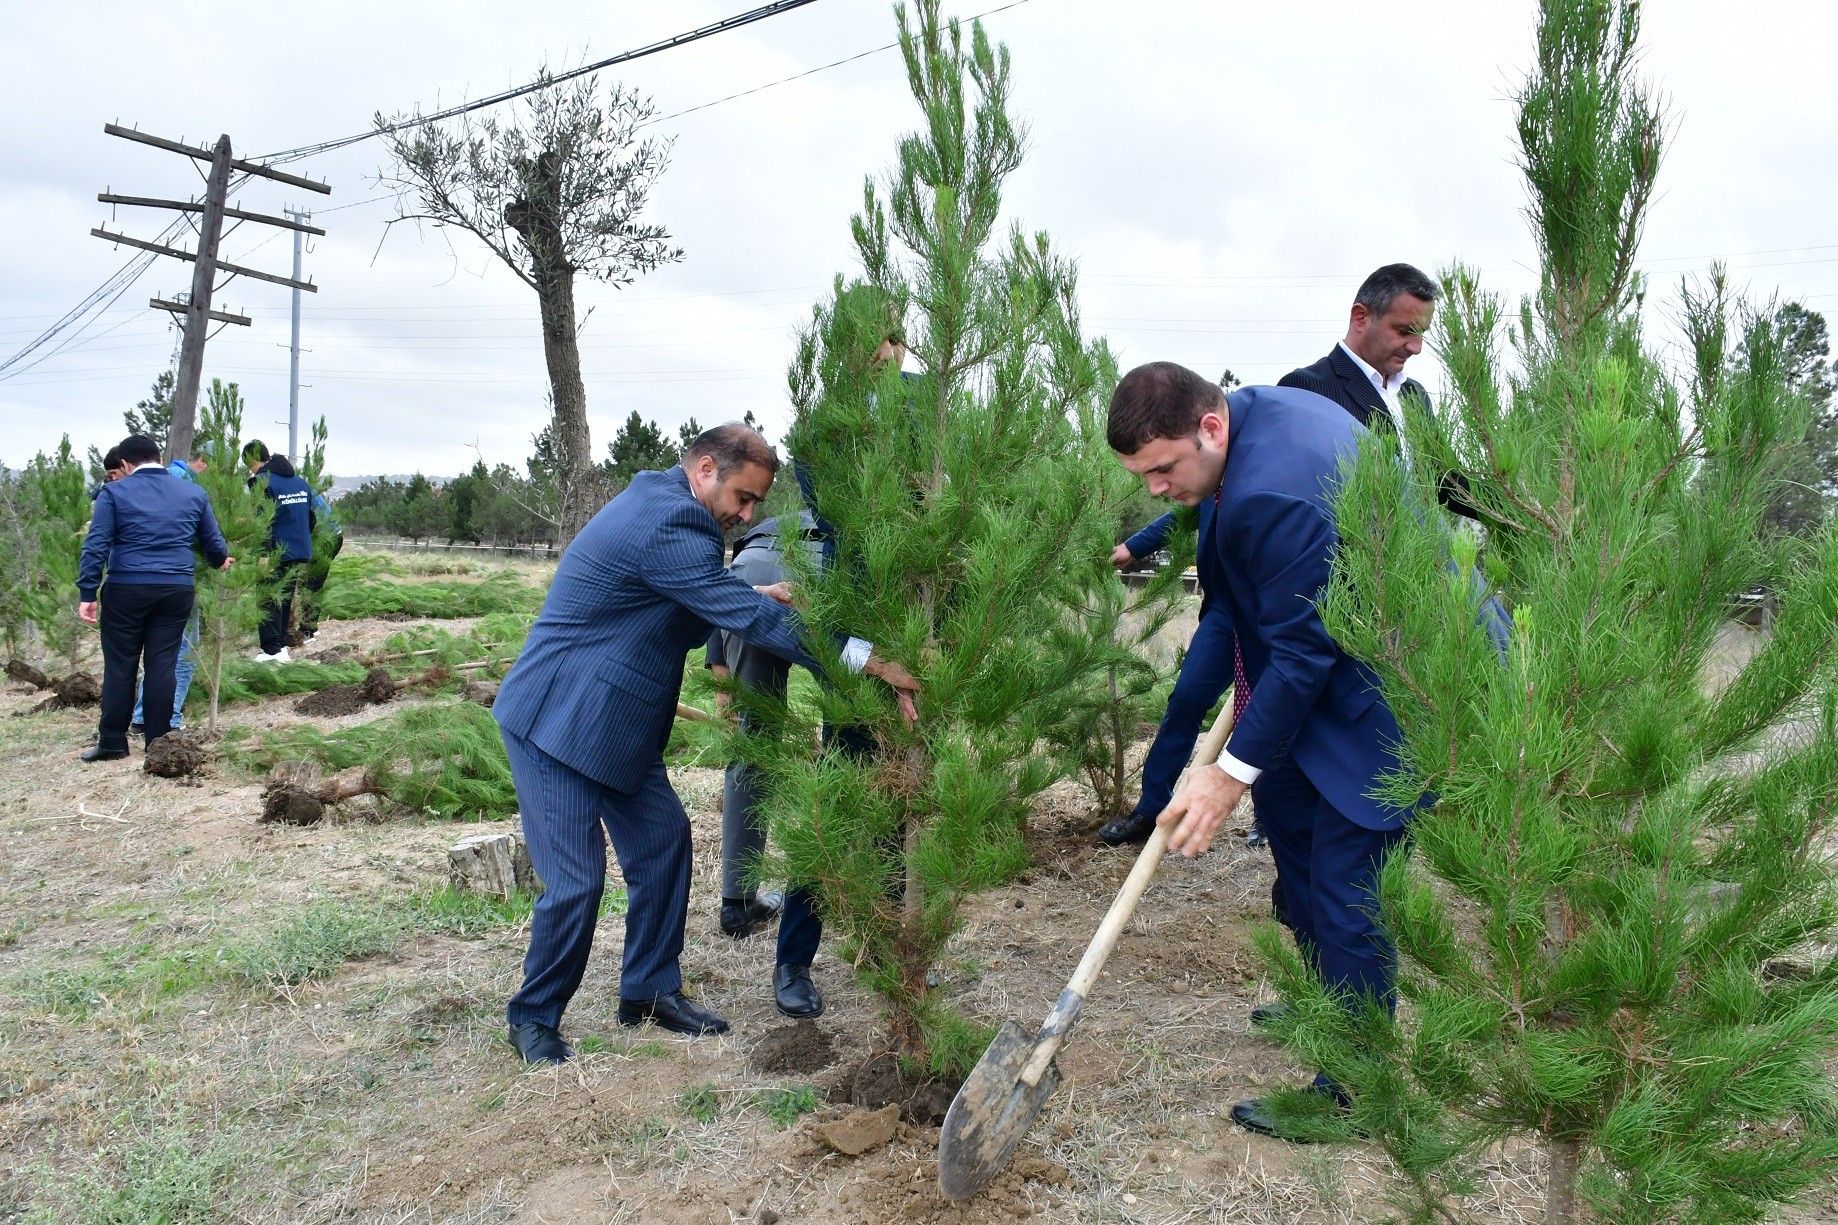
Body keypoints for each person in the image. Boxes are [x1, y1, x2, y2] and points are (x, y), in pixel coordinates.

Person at [491, 423, 919, 1065]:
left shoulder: (659, 501)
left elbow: (681, 596)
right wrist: (869, 660)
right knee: (576, 882)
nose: (746, 515)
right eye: (743, 499)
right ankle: (533, 1018)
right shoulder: (673, 523)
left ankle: (650, 991)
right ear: (705, 468)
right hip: (558, 721)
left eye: (755, 504)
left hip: (616, 726)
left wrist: (742, 592)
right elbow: (750, 621)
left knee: (663, 845)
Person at [1106, 362, 1418, 1140]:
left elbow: (1307, 653)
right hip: (1308, 689)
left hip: (1379, 699)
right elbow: (1263, 613)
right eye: (1141, 476)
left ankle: (1355, 1090)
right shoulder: (1240, 434)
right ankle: (1329, 1005)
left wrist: (1229, 775)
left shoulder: (1276, 486)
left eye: (1162, 469)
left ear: (1209, 428)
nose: (1154, 490)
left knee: (1347, 893)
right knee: (1303, 863)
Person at [706, 510, 831, 1019]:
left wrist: (722, 668)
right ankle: (830, 893)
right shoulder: (846, 516)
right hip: (821, 567)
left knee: (752, 747)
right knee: (851, 741)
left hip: (748, 569)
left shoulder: (762, 527)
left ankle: (737, 904)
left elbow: (720, 595)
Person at [1280, 263, 1481, 520]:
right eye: (1405, 331)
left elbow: (1445, 481)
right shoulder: (1306, 388)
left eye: (1422, 334)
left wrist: (1517, 510)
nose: (1416, 347)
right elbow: (1302, 496)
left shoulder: (1414, 395)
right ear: (1361, 318)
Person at [76, 434, 232, 763]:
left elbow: (96, 546)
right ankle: (158, 745)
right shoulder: (193, 491)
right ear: (158, 457)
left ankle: (113, 743)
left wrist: (87, 592)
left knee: (121, 666)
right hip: (176, 589)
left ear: (124, 464)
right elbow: (214, 545)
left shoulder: (114, 493)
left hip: (126, 588)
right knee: (163, 665)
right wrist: (220, 560)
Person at [131, 447, 208, 735]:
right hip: (177, 580)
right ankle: (168, 720)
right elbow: (206, 536)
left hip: (141, 580)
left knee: (159, 655)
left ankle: (141, 717)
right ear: (204, 463)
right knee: (182, 654)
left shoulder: (164, 481)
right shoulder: (184, 485)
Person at [243, 440, 315, 664]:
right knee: (283, 596)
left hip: (275, 550)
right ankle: (281, 644)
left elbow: (262, 523)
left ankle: (271, 650)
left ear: (253, 460)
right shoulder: (300, 483)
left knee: (267, 597)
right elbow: (310, 518)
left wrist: (263, 555)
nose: (249, 469)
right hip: (299, 547)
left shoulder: (261, 482)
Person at [297, 488, 344, 643]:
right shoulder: (299, 485)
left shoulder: (293, 490)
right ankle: (311, 627)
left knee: (309, 585)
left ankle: (307, 631)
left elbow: (307, 521)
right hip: (331, 535)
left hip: (325, 538)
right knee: (312, 584)